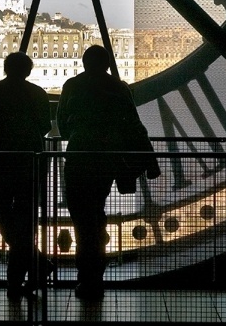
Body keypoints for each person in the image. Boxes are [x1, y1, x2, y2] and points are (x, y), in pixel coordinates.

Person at [56, 45, 153, 301]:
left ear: (84, 62)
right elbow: (132, 123)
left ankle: (87, 273)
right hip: (106, 156)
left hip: (79, 153)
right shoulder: (118, 88)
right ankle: (94, 274)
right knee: (96, 211)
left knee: (82, 217)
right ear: (108, 64)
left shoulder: (72, 86)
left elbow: (62, 122)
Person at [0, 52, 53, 301]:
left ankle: (32, 269)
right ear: (28, 70)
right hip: (30, 165)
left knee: (4, 219)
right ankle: (22, 278)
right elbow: (45, 127)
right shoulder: (37, 94)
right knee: (25, 223)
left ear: (5, 68)